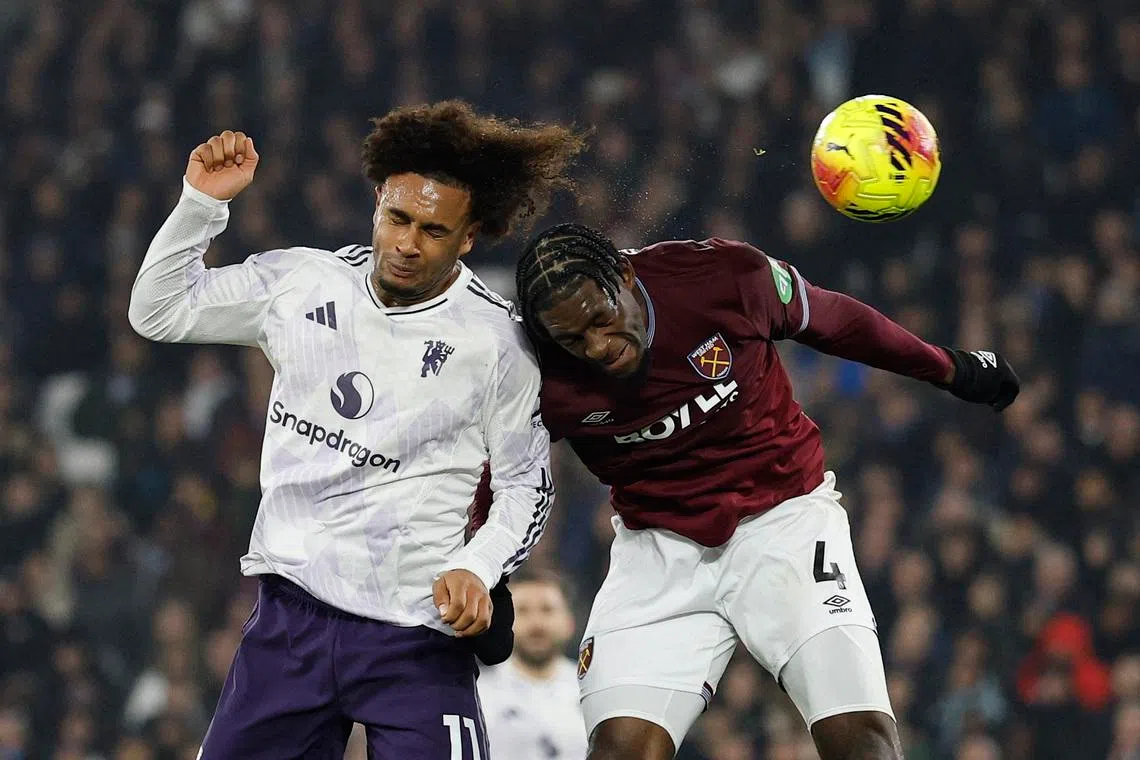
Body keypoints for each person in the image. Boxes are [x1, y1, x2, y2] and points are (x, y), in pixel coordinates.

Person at [128, 101, 584, 759]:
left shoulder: (497, 345)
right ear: (376, 203)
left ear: (468, 238)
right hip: (291, 623)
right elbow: (158, 312)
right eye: (397, 218)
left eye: (433, 229)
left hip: (416, 637)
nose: (406, 242)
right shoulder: (299, 283)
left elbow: (525, 486)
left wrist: (475, 566)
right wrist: (200, 205)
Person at [513, 224, 1020, 760]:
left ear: (625, 273)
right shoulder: (531, 365)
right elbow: (497, 472)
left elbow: (836, 320)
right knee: (619, 752)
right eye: (572, 339)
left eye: (601, 318)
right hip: (657, 551)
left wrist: (948, 367)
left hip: (786, 525)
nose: (596, 346)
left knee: (861, 742)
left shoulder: (721, 277)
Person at [478, 569, 589, 759]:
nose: (536, 623)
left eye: (547, 610)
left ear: (569, 622)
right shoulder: (478, 692)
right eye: (523, 611)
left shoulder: (591, 691)